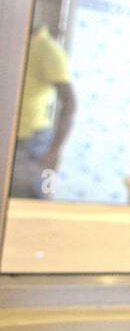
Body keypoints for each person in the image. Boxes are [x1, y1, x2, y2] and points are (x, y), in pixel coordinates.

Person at [11, 23, 76, 199]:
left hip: (32, 142)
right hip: (13, 139)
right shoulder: (12, 42)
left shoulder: (48, 50)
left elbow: (70, 102)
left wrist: (54, 150)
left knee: (32, 201)